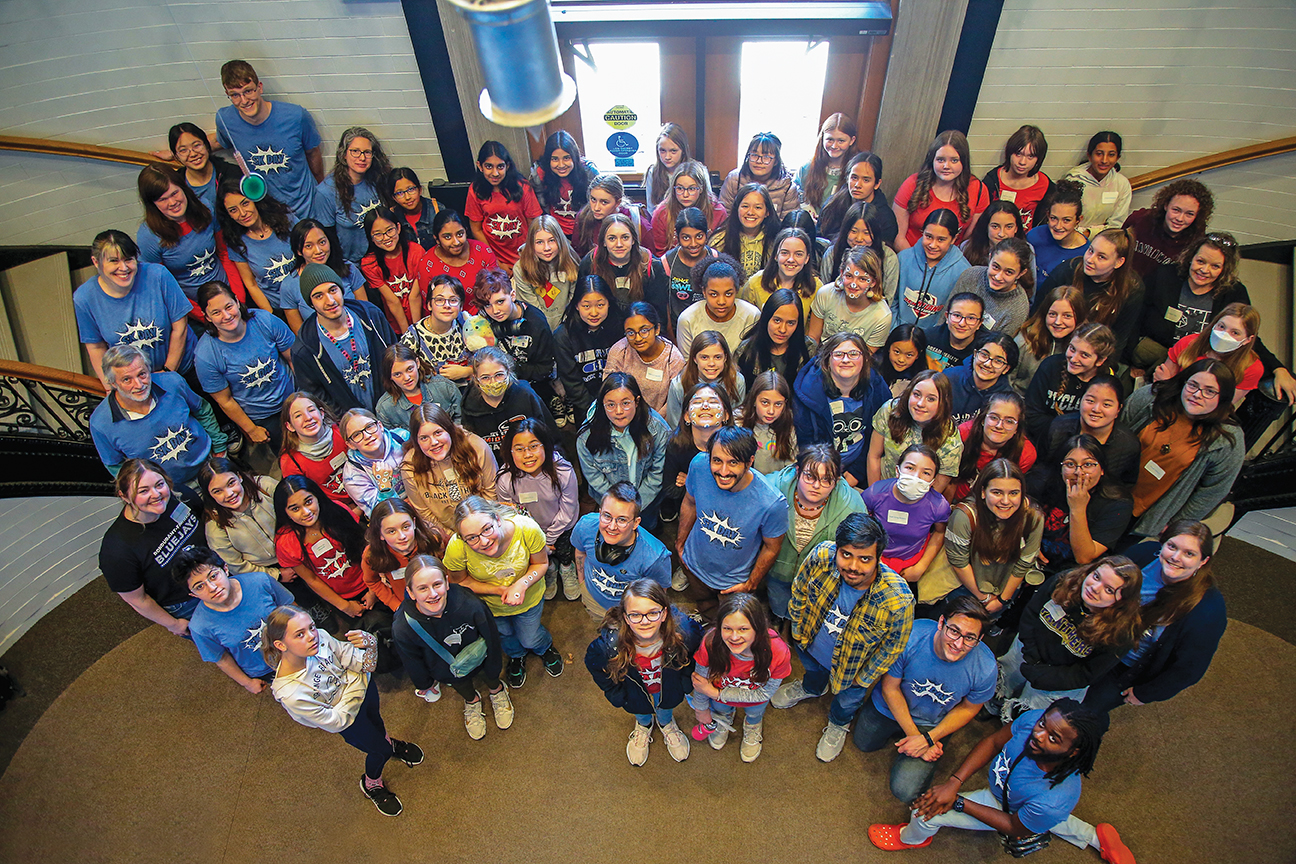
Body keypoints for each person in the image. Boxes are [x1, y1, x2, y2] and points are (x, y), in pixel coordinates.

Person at [867, 698, 1133, 864]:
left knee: (925, 811)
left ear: (1073, 751)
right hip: (1020, 798)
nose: (1038, 735)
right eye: (1043, 725)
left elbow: (1015, 827)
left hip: (1009, 809)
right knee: (1043, 815)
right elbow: (993, 741)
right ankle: (1095, 837)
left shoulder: (1055, 798)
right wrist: (954, 781)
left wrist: (959, 802)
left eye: (1053, 739)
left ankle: (910, 838)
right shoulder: (1032, 722)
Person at [772, 512, 914, 761]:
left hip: (854, 670)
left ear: (878, 558)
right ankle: (812, 687)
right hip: (810, 645)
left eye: (864, 559)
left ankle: (838, 723)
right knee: (813, 674)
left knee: (847, 702)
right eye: (846, 554)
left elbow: (892, 647)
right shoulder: (821, 556)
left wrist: (864, 678)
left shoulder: (898, 600)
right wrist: (798, 631)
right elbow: (799, 589)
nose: (853, 566)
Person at [262, 605, 422, 816]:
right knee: (379, 751)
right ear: (281, 644)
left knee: (378, 722)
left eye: (311, 627)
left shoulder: (321, 638)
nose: (312, 636)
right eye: (299, 634)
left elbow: (366, 665)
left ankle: (387, 742)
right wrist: (356, 680)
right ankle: (371, 783)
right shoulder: (291, 693)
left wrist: (371, 645)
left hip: (366, 698)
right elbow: (338, 721)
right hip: (352, 723)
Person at [853, 595, 996, 805]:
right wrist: (918, 739)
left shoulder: (986, 668)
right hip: (888, 708)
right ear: (941, 623)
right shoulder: (911, 636)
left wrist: (930, 738)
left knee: (905, 790)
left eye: (969, 637)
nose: (958, 643)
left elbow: (969, 708)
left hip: (932, 722)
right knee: (863, 743)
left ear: (980, 639)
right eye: (954, 631)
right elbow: (890, 688)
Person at [1083, 519, 1225, 714]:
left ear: (1203, 561)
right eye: (1172, 546)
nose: (1176, 557)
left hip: (1122, 667)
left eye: (1189, 554)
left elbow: (1190, 668)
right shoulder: (1143, 555)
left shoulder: (1208, 609)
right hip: (1096, 638)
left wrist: (1147, 693)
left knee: (1082, 713)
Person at [1133, 233, 1296, 399]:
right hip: (1160, 350)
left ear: (1224, 269)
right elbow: (1135, 317)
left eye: (1215, 266)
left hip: (1199, 361)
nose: (1204, 270)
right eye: (1200, 261)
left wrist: (1278, 368)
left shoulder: (1234, 293)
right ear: (1191, 257)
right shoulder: (1164, 276)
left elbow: (1243, 334)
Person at [993, 557, 1143, 721]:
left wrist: (1044, 676)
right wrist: (1031, 655)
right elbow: (1031, 613)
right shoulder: (1065, 581)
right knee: (1006, 679)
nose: (1094, 588)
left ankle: (1012, 725)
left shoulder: (1121, 633)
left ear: (1121, 601)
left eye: (1109, 590)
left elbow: (1086, 674)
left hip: (1060, 680)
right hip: (1026, 649)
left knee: (1029, 712)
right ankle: (994, 703)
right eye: (1096, 576)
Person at [443, 496, 564, 688]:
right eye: (472, 538)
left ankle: (543, 647)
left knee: (530, 636)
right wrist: (498, 590)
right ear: (463, 539)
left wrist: (521, 584)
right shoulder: (457, 547)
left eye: (487, 529)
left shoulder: (527, 529)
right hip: (490, 607)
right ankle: (516, 656)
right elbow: (459, 581)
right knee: (506, 636)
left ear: (497, 519)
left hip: (529, 601)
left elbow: (541, 563)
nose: (483, 541)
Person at [391, 555, 510, 740]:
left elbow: (491, 635)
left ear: (447, 582)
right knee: (461, 685)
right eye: (422, 588)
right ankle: (472, 700)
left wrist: (495, 664)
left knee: (490, 676)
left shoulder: (470, 603)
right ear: (411, 592)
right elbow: (411, 660)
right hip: (447, 669)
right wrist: (425, 684)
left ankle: (497, 690)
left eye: (437, 584)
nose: (432, 594)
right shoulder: (403, 626)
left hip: (481, 657)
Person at [585, 579, 702, 766]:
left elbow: (697, 654)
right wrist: (615, 694)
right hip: (634, 693)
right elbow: (594, 665)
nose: (645, 621)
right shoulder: (607, 646)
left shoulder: (685, 633)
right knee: (641, 710)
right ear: (625, 617)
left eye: (652, 613)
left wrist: (685, 683)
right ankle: (644, 725)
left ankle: (666, 724)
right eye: (635, 615)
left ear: (664, 614)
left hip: (669, 688)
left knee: (665, 708)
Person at [1123, 359, 1245, 537]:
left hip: (1147, 515)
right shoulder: (1150, 398)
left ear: (1222, 398)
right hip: (1108, 494)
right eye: (1193, 385)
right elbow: (1115, 434)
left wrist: (1176, 525)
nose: (1197, 394)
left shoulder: (1228, 439)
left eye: (1209, 391)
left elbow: (1212, 492)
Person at [673, 426, 786, 615]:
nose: (723, 471)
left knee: (729, 620)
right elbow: (690, 502)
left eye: (733, 462)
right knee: (705, 606)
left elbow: (772, 547)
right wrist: (680, 542)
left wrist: (751, 584)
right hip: (693, 565)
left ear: (750, 462)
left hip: (733, 583)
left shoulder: (772, 503)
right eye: (717, 460)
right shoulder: (699, 466)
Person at [916, 459, 1043, 618]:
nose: (1005, 501)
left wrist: (1002, 600)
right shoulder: (966, 515)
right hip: (966, 585)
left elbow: (1026, 561)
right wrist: (985, 598)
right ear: (983, 492)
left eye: (1013, 493)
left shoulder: (1033, 517)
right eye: (997, 492)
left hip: (1005, 587)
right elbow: (959, 561)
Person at [89, 344, 227, 485]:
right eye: (127, 379)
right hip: (169, 488)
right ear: (113, 383)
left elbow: (202, 409)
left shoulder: (172, 382)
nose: (138, 385)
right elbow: (115, 465)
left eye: (142, 374)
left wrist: (220, 447)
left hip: (209, 464)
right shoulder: (101, 423)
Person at [74, 229, 195, 390]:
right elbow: (96, 347)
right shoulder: (85, 298)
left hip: (182, 368)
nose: (123, 268)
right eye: (114, 261)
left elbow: (180, 326)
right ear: (96, 262)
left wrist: (168, 372)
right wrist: (111, 388)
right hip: (136, 384)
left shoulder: (158, 275)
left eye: (129, 259)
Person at [98, 459, 204, 637]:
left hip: (217, 573)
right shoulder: (117, 550)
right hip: (186, 602)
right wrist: (174, 624)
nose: (156, 494)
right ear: (124, 496)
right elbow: (138, 600)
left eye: (159, 484)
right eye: (143, 491)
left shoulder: (179, 496)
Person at [171, 544, 293, 693]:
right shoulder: (199, 627)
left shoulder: (260, 581)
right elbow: (221, 659)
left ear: (225, 569)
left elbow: (292, 609)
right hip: (266, 669)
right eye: (199, 586)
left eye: (213, 576)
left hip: (295, 647)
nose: (212, 588)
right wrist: (247, 683)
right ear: (193, 595)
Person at [686, 593, 792, 762]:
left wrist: (716, 694)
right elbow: (700, 682)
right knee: (721, 709)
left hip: (752, 699)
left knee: (755, 713)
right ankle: (723, 719)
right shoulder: (710, 643)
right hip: (719, 697)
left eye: (743, 629)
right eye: (727, 628)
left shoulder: (779, 652)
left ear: (758, 628)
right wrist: (701, 709)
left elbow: (764, 694)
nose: (734, 637)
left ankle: (752, 725)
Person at [216, 60, 324, 220]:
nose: (244, 100)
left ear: (259, 87)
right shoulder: (225, 120)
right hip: (270, 214)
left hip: (307, 208)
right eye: (235, 95)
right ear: (228, 95)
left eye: (248, 91)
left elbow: (313, 152)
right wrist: (181, 150)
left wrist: (321, 189)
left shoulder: (296, 116)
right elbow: (219, 141)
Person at [194, 280, 295, 452]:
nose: (226, 316)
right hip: (262, 415)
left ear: (236, 301)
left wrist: (305, 395)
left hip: (292, 395)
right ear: (207, 316)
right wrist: (251, 429)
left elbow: (294, 359)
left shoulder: (264, 321)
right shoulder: (206, 355)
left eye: (228, 307)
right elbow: (225, 400)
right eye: (216, 312)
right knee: (288, 452)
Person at [273, 475, 378, 629]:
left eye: (308, 502)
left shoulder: (337, 511)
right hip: (343, 597)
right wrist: (344, 606)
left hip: (373, 580)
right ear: (285, 512)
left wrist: (373, 587)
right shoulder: (286, 542)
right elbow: (312, 580)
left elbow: (366, 548)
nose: (306, 512)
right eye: (295, 508)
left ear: (317, 497)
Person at [291, 263, 397, 414]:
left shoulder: (370, 316)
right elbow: (316, 396)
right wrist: (347, 419)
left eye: (333, 290)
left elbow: (395, 355)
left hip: (392, 408)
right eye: (319, 296)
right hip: (352, 425)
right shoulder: (305, 348)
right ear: (311, 303)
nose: (330, 301)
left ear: (341, 290)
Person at [135, 163, 238, 313]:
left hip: (228, 294)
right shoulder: (148, 237)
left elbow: (224, 253)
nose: (172, 203)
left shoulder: (206, 208)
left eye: (174, 193)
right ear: (152, 204)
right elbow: (164, 288)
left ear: (183, 187)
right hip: (193, 309)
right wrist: (205, 316)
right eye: (163, 200)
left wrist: (237, 299)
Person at [794, 332, 892, 487]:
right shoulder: (809, 392)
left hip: (862, 467)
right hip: (819, 468)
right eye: (839, 354)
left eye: (853, 354)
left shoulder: (876, 388)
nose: (846, 360)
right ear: (827, 361)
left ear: (865, 359)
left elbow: (879, 435)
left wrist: (856, 473)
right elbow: (807, 441)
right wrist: (827, 474)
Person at [496, 418, 579, 600]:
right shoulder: (505, 479)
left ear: (545, 446)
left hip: (562, 527)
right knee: (542, 558)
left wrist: (549, 538)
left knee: (564, 552)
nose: (527, 455)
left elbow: (568, 509)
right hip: (529, 531)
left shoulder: (563, 470)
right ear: (510, 451)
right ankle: (548, 570)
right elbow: (510, 514)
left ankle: (566, 568)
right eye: (519, 449)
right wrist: (538, 540)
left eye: (533, 446)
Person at [1028, 434, 1134, 575]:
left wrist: (1077, 508)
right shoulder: (1045, 482)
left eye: (1088, 465)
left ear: (1102, 469)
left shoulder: (1118, 504)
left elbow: (1084, 557)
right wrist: (1030, 545)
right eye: (1070, 464)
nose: (1079, 472)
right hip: (1030, 559)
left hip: (1073, 574)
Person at [577, 373, 671, 524]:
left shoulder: (658, 429)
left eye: (625, 403)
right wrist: (617, 506)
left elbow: (657, 473)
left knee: (646, 528)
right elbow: (594, 477)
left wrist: (636, 506)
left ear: (637, 402)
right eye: (611, 405)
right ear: (603, 405)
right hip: (608, 500)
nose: (619, 411)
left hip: (645, 500)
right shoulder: (586, 436)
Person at [1038, 228, 1143, 364]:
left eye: (1101, 257)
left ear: (1119, 262)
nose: (1090, 259)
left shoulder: (1132, 289)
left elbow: (1118, 340)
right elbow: (1038, 313)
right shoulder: (1067, 270)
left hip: (1091, 356)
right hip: (1051, 345)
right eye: (1091, 251)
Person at [572, 483, 672, 620]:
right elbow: (580, 553)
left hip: (631, 613)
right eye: (607, 516)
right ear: (600, 512)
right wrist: (583, 585)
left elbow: (658, 595)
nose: (612, 527)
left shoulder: (655, 557)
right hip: (592, 599)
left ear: (636, 523)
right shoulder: (585, 525)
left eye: (622, 520)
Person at [400, 402, 498, 538]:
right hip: (447, 538)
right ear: (416, 441)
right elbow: (424, 514)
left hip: (486, 529)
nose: (433, 442)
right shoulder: (410, 466)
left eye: (438, 433)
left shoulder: (477, 448)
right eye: (424, 438)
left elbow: (492, 493)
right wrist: (455, 538)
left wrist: (479, 533)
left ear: (449, 430)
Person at [862, 445, 952, 584]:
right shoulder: (875, 493)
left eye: (926, 473)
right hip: (873, 555)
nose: (916, 477)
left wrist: (920, 567)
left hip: (911, 562)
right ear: (897, 471)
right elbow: (860, 525)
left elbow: (940, 533)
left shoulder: (938, 506)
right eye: (910, 468)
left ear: (932, 482)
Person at [473, 268, 559, 413]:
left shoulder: (536, 323)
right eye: (488, 305)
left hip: (530, 388)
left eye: (500, 302)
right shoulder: (484, 320)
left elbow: (545, 369)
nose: (495, 311)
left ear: (512, 295)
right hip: (496, 385)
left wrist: (505, 369)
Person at [867, 370, 963, 493]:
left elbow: (936, 489)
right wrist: (874, 495)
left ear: (943, 403)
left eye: (931, 399)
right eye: (917, 394)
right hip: (885, 487)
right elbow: (874, 456)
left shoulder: (951, 441)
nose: (920, 404)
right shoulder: (890, 410)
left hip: (919, 498)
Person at [892, 130, 989, 251]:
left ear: (963, 162)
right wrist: (913, 263)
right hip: (911, 255)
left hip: (950, 260)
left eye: (954, 160)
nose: (946, 166)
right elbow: (898, 236)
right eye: (940, 160)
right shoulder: (912, 184)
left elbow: (970, 240)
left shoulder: (978, 189)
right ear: (932, 160)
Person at [1023, 323, 1118, 446]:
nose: (1073, 359)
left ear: (1100, 361)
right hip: (1040, 439)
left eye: (1084, 355)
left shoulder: (1106, 384)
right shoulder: (1051, 366)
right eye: (1072, 349)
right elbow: (1031, 413)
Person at [659, 382, 733, 532]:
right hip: (689, 514)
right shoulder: (676, 446)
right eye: (697, 402)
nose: (705, 406)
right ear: (686, 416)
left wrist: (693, 482)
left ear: (726, 415)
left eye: (713, 402)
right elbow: (670, 488)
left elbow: (737, 491)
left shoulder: (737, 447)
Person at [460, 346, 556, 460]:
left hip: (529, 460)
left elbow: (550, 435)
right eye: (485, 377)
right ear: (476, 378)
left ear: (508, 372)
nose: (493, 382)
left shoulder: (525, 395)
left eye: (499, 375)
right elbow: (472, 449)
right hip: (494, 466)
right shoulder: (470, 405)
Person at [1042, 377, 1139, 487]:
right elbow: (1043, 468)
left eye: (1106, 404)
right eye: (1090, 401)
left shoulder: (1127, 444)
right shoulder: (1059, 427)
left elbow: (1126, 485)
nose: (1096, 409)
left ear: (1118, 409)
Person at [216, 179, 295, 313]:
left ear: (255, 199)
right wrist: (271, 315)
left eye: (245, 203)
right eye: (233, 210)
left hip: (305, 296)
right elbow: (251, 283)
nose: (242, 213)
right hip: (278, 307)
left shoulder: (285, 218)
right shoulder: (236, 242)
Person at [313, 127, 390, 263]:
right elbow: (326, 237)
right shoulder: (326, 192)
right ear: (343, 154)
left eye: (367, 152)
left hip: (383, 256)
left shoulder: (379, 179)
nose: (362, 158)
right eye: (355, 151)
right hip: (353, 265)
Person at [554, 275, 623, 423]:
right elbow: (572, 383)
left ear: (609, 303)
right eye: (586, 306)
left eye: (600, 305)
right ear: (577, 305)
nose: (594, 312)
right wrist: (595, 411)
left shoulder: (618, 327)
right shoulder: (563, 335)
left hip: (619, 402)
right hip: (585, 405)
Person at [198, 457, 282, 578]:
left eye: (231, 483)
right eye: (217, 491)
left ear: (240, 477)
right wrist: (276, 574)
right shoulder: (215, 526)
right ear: (209, 495)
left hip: (298, 549)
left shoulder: (265, 486)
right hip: (264, 572)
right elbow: (236, 566)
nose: (229, 494)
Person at [279, 392, 360, 516]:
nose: (308, 418)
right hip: (335, 513)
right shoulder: (290, 461)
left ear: (321, 413)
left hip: (366, 494)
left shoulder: (341, 432)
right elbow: (305, 500)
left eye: (311, 410)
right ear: (289, 426)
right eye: (298, 416)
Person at [579, 212, 669, 324]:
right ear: (603, 242)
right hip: (603, 328)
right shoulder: (590, 263)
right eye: (612, 238)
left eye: (625, 237)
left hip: (640, 329)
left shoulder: (652, 265)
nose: (619, 244)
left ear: (633, 240)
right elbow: (580, 304)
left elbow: (659, 313)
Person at [466, 141, 542, 273]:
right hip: (495, 259)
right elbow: (476, 229)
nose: (495, 173)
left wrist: (529, 256)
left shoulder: (523, 187)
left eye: (500, 167)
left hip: (525, 255)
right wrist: (496, 261)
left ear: (507, 166)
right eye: (489, 166)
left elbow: (535, 225)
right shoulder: (475, 190)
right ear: (480, 166)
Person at [282, 218, 369, 332]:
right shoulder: (289, 285)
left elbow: (366, 312)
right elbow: (301, 333)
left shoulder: (348, 268)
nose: (318, 250)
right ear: (298, 251)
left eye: (322, 242)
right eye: (309, 246)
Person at [361, 498, 441, 616]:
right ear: (380, 534)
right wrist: (395, 605)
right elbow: (372, 581)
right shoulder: (372, 555)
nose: (402, 536)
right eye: (392, 531)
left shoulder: (433, 539)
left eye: (405, 527)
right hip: (408, 607)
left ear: (414, 523)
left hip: (440, 598)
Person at [605, 301, 687, 417]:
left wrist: (653, 423)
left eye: (644, 331)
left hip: (659, 422)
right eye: (631, 332)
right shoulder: (620, 350)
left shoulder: (673, 359)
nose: (638, 338)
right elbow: (609, 391)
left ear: (657, 329)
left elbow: (675, 401)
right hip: (621, 417)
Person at [951, 392, 1037, 501]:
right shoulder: (962, 434)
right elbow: (948, 481)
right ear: (983, 419)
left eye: (1009, 421)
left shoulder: (1026, 454)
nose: (999, 426)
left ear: (1017, 428)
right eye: (994, 417)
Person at [894, 209, 971, 328]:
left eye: (941, 239)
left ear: (954, 239)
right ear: (922, 233)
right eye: (928, 236)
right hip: (897, 333)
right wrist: (894, 330)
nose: (933, 245)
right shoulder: (903, 259)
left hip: (933, 341)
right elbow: (892, 301)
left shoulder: (963, 271)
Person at [1122, 177, 1213, 278]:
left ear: (1197, 216)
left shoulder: (1195, 242)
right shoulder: (1140, 219)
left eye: (1189, 214)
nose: (1180, 218)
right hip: (1120, 282)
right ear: (1166, 205)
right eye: (1176, 210)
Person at [414, 209, 499, 314]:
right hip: (448, 322)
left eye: (460, 234)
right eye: (447, 237)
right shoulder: (427, 264)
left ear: (466, 231)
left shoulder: (482, 251)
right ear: (437, 239)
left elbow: (496, 290)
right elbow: (432, 306)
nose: (456, 242)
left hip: (489, 314)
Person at [807, 246, 892, 348]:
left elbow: (866, 357)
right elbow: (813, 339)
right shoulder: (826, 294)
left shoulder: (882, 316)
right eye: (849, 276)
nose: (853, 284)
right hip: (822, 356)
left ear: (873, 282)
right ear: (842, 273)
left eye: (862, 279)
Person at [950, 236, 1035, 336]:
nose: (998, 277)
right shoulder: (971, 276)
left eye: (1008, 272)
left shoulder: (1018, 309)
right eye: (995, 267)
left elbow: (997, 347)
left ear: (1021, 273)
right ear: (990, 257)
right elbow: (945, 316)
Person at [359, 206, 424, 333]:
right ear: (370, 237)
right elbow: (392, 301)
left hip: (422, 319)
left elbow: (414, 297)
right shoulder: (369, 263)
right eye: (378, 234)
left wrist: (417, 333)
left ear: (398, 228)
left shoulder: (416, 252)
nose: (386, 237)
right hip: (396, 324)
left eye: (390, 230)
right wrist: (408, 335)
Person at [735, 287, 813, 390]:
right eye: (777, 321)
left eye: (790, 323)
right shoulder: (746, 350)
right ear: (767, 318)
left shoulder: (809, 350)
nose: (782, 329)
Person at [513, 214, 580, 333]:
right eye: (539, 242)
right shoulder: (521, 268)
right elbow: (532, 310)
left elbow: (573, 298)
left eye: (552, 240)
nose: (547, 248)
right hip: (536, 328)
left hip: (564, 326)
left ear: (560, 240)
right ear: (531, 244)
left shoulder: (571, 261)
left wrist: (562, 328)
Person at [403, 274, 474, 386]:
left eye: (453, 300)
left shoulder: (468, 325)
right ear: (429, 305)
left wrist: (467, 371)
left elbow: (491, 361)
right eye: (439, 300)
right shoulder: (414, 337)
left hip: (469, 394)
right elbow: (404, 375)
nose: (447, 305)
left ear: (461, 307)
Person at [1012, 285, 1085, 394]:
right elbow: (1006, 381)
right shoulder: (1025, 340)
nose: (1058, 322)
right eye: (1052, 314)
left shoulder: (1084, 347)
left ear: (1079, 318)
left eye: (1067, 316)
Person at [820, 201, 900, 301]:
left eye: (866, 233)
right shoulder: (833, 253)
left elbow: (888, 299)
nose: (859, 238)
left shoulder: (888, 258)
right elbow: (824, 293)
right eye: (853, 231)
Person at [665, 330, 745, 428]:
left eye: (717, 357)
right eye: (704, 357)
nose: (711, 363)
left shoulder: (736, 381)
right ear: (694, 358)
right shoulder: (678, 385)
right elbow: (675, 426)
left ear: (725, 358)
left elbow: (736, 423)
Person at [981, 124, 1053, 231]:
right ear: (1010, 153)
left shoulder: (1046, 186)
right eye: (1018, 154)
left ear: (1038, 159)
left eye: (1030, 156)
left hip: (1026, 242)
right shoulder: (992, 181)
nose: (1022, 162)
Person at [819, 152, 900, 247]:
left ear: (877, 184)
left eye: (866, 180)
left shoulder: (885, 218)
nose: (858, 185)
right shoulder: (832, 204)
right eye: (854, 178)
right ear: (847, 178)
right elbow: (819, 238)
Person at [375, 342, 462, 430]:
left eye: (409, 369)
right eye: (397, 374)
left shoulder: (445, 387)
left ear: (417, 363)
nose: (407, 378)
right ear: (390, 376)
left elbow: (462, 420)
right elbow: (392, 440)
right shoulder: (385, 408)